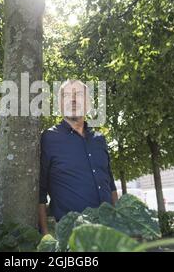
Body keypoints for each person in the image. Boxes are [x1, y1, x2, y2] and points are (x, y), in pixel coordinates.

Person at [38, 80, 118, 235]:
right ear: (59, 104)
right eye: (67, 95)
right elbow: (40, 191)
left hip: (108, 231)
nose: (73, 99)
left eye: (79, 95)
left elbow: (110, 183)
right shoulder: (48, 138)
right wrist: (46, 234)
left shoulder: (99, 139)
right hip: (72, 236)